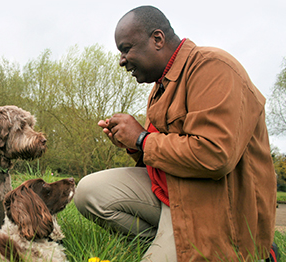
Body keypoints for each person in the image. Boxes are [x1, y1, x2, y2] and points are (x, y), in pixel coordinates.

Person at [74, 5, 277, 262]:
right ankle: (162, 241)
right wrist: (133, 145)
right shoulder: (161, 85)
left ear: (157, 39)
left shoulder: (213, 67)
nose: (121, 60)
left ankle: (252, 255)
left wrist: (141, 138)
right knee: (88, 192)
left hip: (212, 211)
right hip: (172, 195)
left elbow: (216, 156)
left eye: (126, 49)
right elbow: (162, 155)